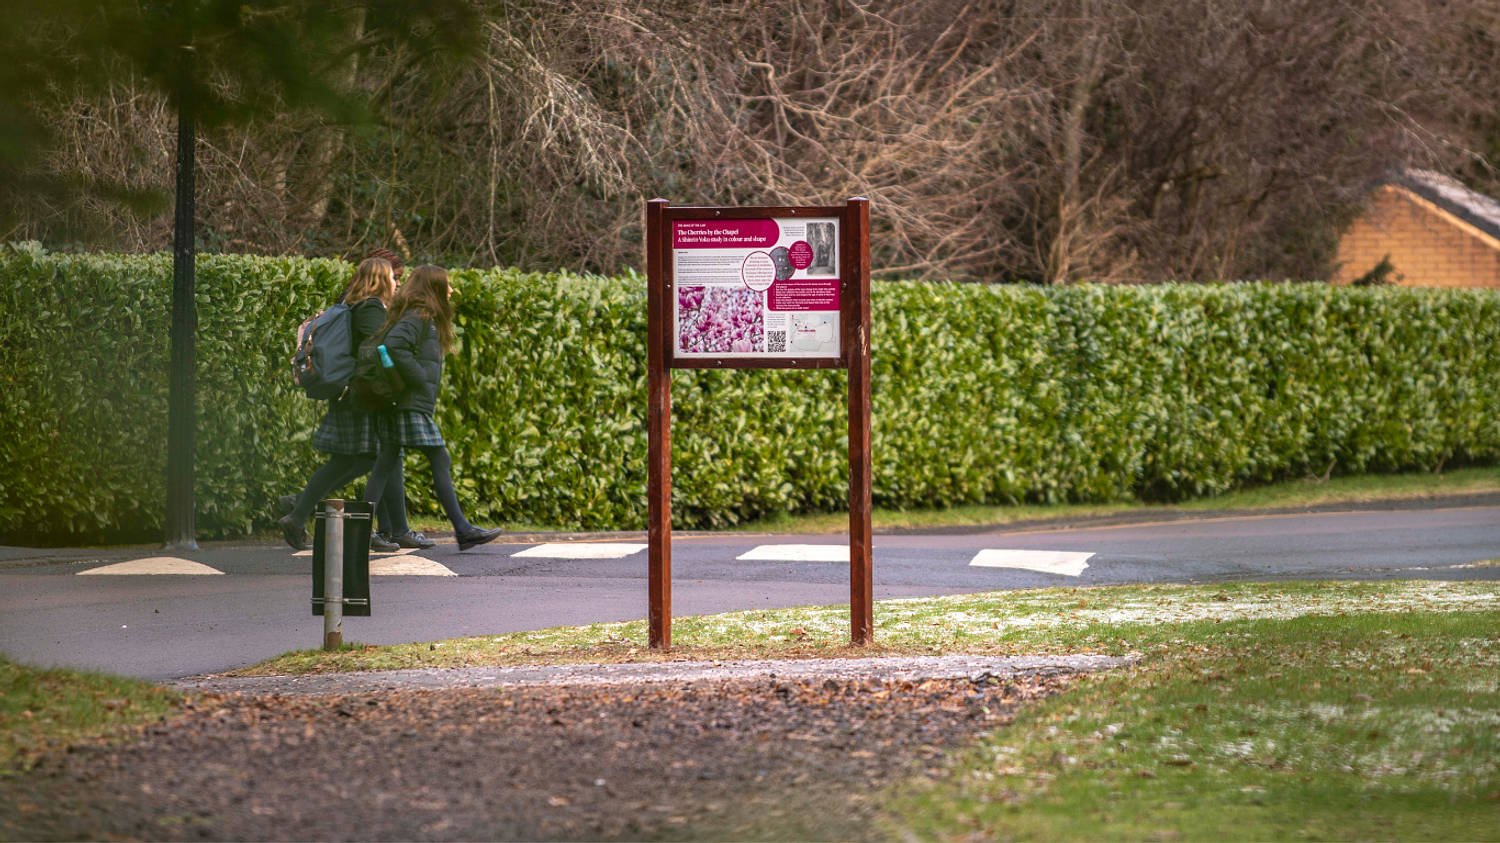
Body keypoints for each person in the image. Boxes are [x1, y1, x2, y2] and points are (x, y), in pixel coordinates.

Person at [277, 249, 434, 552]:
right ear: (380, 279)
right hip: (360, 395)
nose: (396, 282)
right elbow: (376, 353)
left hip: (348, 392)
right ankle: (314, 515)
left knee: (365, 458)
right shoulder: (372, 308)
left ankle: (302, 513)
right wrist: (397, 383)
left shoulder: (351, 303)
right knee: (370, 458)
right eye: (392, 276)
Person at [361, 265, 503, 550]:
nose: (450, 290)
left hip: (399, 402)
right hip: (408, 403)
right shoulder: (419, 315)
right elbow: (394, 345)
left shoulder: (415, 314)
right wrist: (418, 378)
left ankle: (360, 529)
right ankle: (463, 530)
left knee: (386, 462)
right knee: (439, 458)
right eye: (446, 285)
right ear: (433, 288)